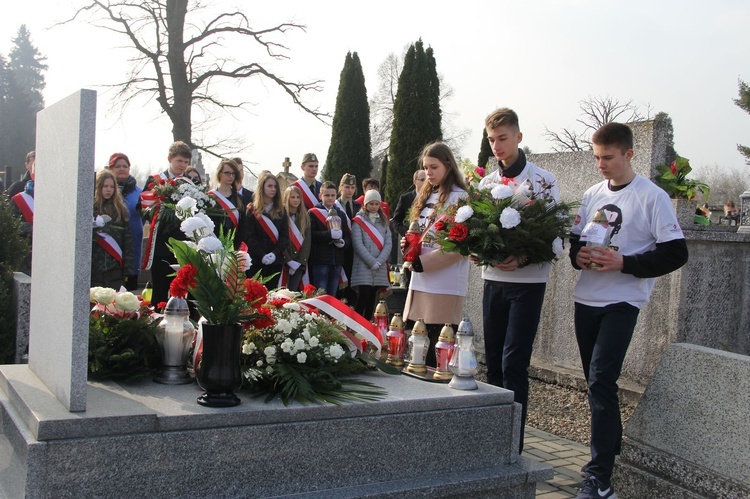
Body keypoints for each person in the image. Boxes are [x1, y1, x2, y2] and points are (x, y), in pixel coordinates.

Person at [569, 122, 688, 499]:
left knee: (603, 380)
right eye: (596, 157)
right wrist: (580, 255)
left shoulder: (651, 197)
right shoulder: (591, 193)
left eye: (608, 157)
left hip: (622, 301)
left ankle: (600, 477)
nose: (601, 164)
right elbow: (575, 245)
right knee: (595, 384)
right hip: (586, 299)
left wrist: (625, 263)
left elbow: (675, 252)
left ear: (629, 154)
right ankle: (607, 455)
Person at [473, 107, 560, 453]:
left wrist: (522, 256)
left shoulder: (543, 180)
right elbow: (478, 232)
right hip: (493, 279)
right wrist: (476, 249)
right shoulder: (486, 183)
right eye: (491, 139)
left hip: (528, 284)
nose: (497, 145)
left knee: (514, 362)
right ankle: (494, 437)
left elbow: (554, 236)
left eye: (503, 138)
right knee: (492, 359)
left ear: (519, 137)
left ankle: (514, 442)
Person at [401, 142, 468, 368]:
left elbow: (461, 245)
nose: (428, 172)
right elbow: (417, 232)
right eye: (426, 167)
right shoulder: (427, 194)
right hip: (421, 278)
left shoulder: (461, 197)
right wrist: (408, 245)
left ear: (448, 166)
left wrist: (426, 262)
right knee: (420, 341)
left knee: (440, 344)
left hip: (445, 282)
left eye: (433, 167)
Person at [141, 141, 192, 305]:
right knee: (160, 290)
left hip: (182, 243)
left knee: (182, 291)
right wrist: (162, 212)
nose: (182, 165)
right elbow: (142, 207)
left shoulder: (190, 183)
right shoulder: (156, 180)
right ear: (170, 159)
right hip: (162, 242)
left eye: (185, 162)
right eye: (179, 161)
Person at [351, 189, 392, 320]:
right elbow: (357, 243)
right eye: (371, 204)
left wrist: (379, 261)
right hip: (364, 266)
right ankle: (356, 326)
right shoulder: (359, 221)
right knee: (363, 296)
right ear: (365, 204)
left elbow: (388, 243)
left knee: (373, 298)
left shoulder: (384, 221)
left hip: (379, 266)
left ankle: (368, 325)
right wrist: (371, 261)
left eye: (376, 204)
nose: (374, 207)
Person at [91, 170, 134, 289]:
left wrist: (128, 269)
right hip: (95, 267)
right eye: (105, 186)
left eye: (111, 186)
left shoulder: (120, 210)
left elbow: (128, 240)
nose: (109, 189)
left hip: (115, 268)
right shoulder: (90, 208)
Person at [245, 171, 288, 289]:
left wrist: (274, 254)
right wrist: (262, 255)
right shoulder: (251, 210)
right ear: (262, 187)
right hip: (257, 261)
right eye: (269, 186)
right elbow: (249, 236)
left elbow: (285, 236)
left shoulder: (281, 210)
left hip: (276, 261)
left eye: (275, 186)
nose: (273, 189)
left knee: (272, 297)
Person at [107, 152, 143, 291]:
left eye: (125, 166)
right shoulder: (106, 190)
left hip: (133, 246)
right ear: (110, 169)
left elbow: (143, 215)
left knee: (130, 293)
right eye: (117, 166)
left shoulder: (139, 192)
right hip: (111, 246)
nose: (122, 169)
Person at [308, 181, 351, 295]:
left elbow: (347, 235)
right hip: (320, 260)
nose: (330, 198)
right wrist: (329, 234)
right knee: (320, 295)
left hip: (337, 260)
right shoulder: (313, 213)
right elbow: (311, 235)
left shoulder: (340, 214)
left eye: (333, 195)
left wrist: (343, 243)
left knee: (332, 295)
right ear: (320, 196)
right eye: (327, 195)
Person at [207, 159, 246, 248]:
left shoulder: (240, 198)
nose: (231, 176)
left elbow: (243, 227)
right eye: (227, 173)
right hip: (214, 245)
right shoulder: (210, 197)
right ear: (219, 173)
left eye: (233, 173)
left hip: (233, 246)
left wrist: (236, 247)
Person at [281, 185, 311, 291]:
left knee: (294, 294)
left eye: (298, 197)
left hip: (299, 263)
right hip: (284, 262)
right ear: (286, 198)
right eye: (292, 197)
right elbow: (280, 240)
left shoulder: (305, 217)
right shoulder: (281, 216)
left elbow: (307, 242)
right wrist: (288, 260)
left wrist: (300, 262)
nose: (296, 200)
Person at [337, 173, 360, 304]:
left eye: (352, 187)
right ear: (341, 187)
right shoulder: (335, 204)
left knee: (352, 285)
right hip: (340, 250)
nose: (350, 190)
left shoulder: (358, 206)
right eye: (347, 187)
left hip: (355, 251)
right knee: (340, 286)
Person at [10, 158, 35, 275]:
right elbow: (11, 226)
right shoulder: (19, 200)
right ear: (32, 174)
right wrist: (32, 227)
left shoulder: (59, 200)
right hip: (26, 260)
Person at [391, 170, 426, 237]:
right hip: (411, 239)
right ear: (415, 182)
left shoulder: (434, 197)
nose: (425, 183)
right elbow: (395, 221)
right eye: (422, 180)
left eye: (427, 180)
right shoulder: (405, 198)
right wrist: (407, 233)